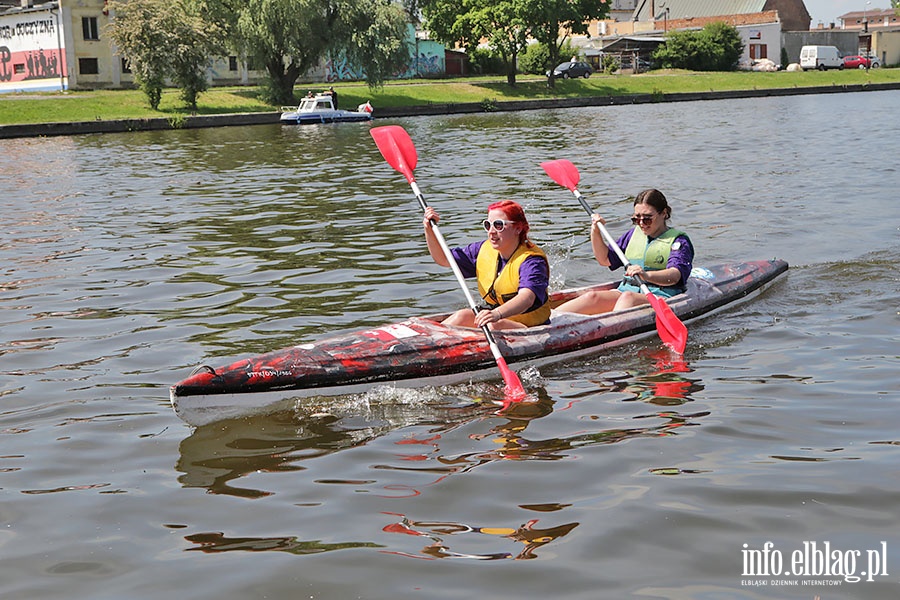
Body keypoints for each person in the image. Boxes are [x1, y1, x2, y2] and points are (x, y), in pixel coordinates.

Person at [555, 188, 693, 315]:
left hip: (660, 295)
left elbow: (675, 275)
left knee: (628, 298)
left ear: (663, 213)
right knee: (593, 296)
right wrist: (595, 231)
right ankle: (546, 321)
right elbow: (605, 260)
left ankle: (609, 332)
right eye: (636, 218)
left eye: (647, 218)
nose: (641, 223)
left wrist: (646, 275)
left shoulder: (678, 241)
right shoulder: (632, 235)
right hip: (627, 290)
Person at [423, 200, 550, 330]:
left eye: (499, 225)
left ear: (518, 228)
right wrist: (429, 229)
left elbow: (527, 298)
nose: (491, 231)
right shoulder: (482, 250)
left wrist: (497, 314)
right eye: (488, 225)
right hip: (496, 318)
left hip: (529, 326)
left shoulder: (532, 261)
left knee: (493, 326)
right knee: (462, 315)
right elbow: (443, 259)